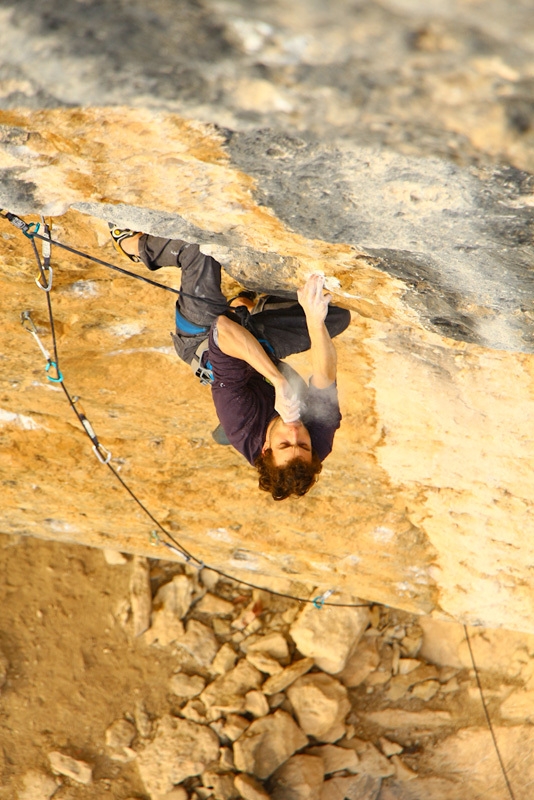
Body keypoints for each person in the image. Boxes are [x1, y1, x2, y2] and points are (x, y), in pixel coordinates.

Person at [109, 225, 350, 500]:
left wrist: (279, 381)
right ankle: (251, 306)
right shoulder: (317, 446)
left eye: (285, 443)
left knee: (197, 248)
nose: (295, 434)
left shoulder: (241, 423)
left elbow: (222, 329)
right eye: (303, 445)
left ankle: (132, 245)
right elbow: (325, 377)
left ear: (266, 448)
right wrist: (313, 319)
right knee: (334, 318)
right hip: (261, 351)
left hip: (204, 340)